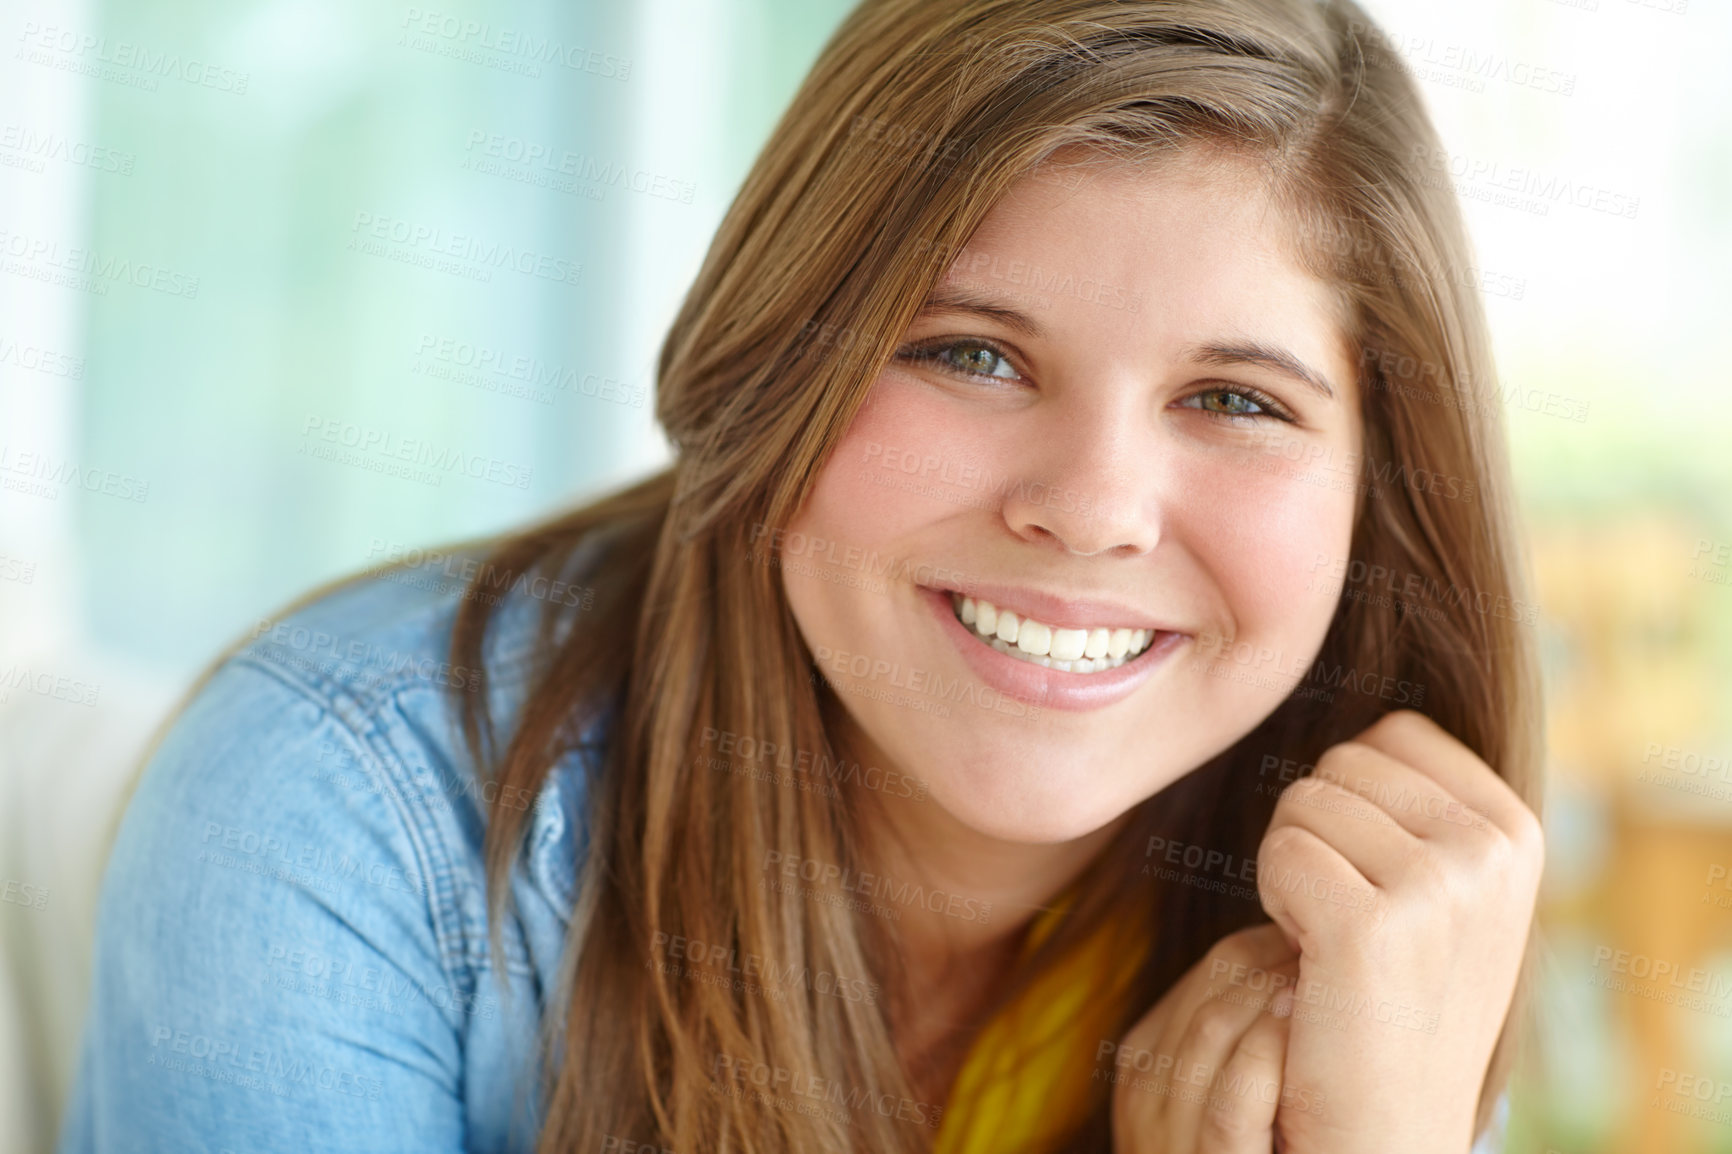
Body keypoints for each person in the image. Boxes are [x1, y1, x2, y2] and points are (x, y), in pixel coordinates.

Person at [57, 0, 1544, 1151]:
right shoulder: (342, 805)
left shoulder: (1383, 932)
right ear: (780, 363)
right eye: (971, 354)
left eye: (1233, 398)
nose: (1093, 512)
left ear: (1381, 487)